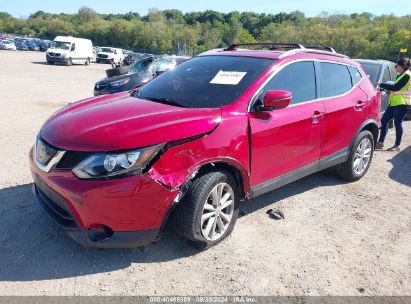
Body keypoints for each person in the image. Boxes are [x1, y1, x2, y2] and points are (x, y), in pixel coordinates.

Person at [376, 57, 411, 152]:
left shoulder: (407, 75)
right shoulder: (400, 75)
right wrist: (387, 88)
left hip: (402, 103)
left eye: (397, 65)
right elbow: (395, 88)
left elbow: (396, 87)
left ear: (402, 66)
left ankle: (397, 145)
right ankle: (380, 142)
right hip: (394, 102)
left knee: (397, 123)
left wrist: (380, 84)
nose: (395, 67)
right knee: (384, 120)